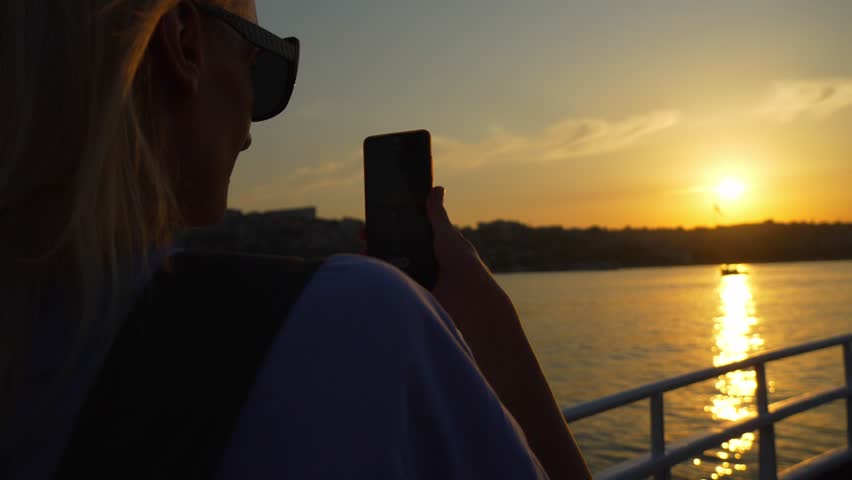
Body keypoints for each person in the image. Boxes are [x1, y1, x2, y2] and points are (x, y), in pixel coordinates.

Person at [0, 1, 591, 478]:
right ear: (185, 43)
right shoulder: (354, 323)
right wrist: (492, 326)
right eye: (263, 67)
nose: (254, 129)